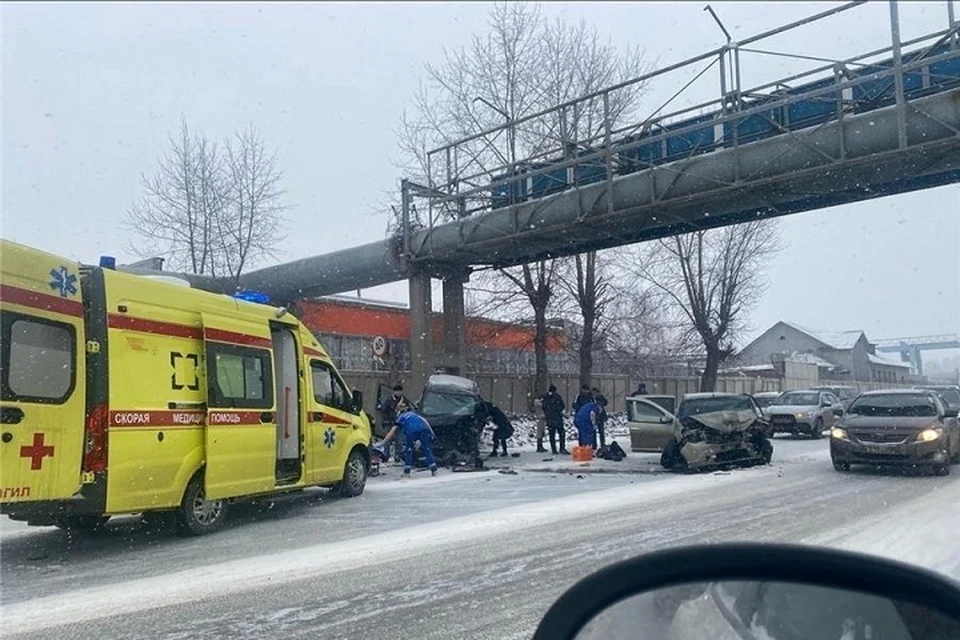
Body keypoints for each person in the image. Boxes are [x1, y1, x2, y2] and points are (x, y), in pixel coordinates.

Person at [379, 399, 437, 477]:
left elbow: (392, 432)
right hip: (423, 428)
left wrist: (383, 443)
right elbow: (425, 421)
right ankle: (433, 468)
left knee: (409, 450)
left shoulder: (401, 417)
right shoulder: (414, 414)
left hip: (411, 431)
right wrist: (432, 433)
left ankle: (407, 471)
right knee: (426, 448)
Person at [378, 384, 411, 462]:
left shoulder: (405, 400)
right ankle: (386, 456)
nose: (398, 393)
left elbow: (408, 411)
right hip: (389, 423)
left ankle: (398, 455)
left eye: (400, 391)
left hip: (400, 424)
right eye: (397, 391)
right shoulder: (389, 400)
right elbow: (384, 411)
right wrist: (386, 420)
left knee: (399, 440)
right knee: (387, 440)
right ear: (394, 392)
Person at [541, 384, 568, 455]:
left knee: (551, 434)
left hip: (550, 419)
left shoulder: (545, 397)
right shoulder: (557, 397)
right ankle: (562, 448)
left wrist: (547, 414)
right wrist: (558, 411)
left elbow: (543, 407)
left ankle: (554, 449)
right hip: (557, 418)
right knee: (561, 433)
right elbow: (562, 406)